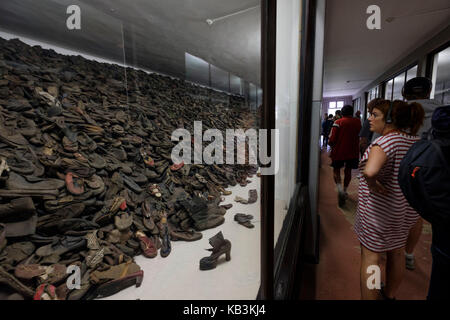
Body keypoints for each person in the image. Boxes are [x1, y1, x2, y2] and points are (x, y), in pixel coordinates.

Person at [355, 99, 425, 300]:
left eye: (375, 114)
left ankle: (372, 296)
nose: (370, 118)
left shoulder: (385, 141)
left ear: (389, 119)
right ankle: (390, 295)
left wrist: (372, 184)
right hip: (405, 210)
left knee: (371, 257)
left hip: (379, 213)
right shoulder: (414, 140)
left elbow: (370, 171)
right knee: (397, 253)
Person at [402, 77, 443, 271]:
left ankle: (390, 251)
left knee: (390, 211)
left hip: (400, 169)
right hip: (432, 173)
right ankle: (408, 253)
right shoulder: (442, 111)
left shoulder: (398, 112)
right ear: (428, 92)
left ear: (405, 94)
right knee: (416, 214)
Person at [328, 105, 362, 206]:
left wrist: (330, 146)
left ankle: (339, 190)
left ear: (341, 113)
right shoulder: (358, 122)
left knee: (336, 170)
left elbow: (332, 139)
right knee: (348, 171)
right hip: (353, 152)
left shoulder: (338, 122)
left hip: (339, 151)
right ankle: (345, 190)